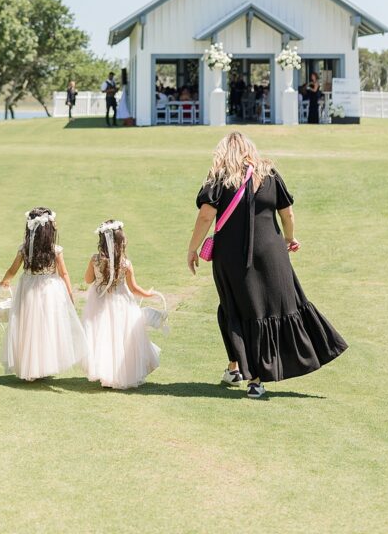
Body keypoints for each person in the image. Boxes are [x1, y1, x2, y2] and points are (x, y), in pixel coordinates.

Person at [186, 130, 347, 399]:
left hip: (232, 257)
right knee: (263, 309)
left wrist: (193, 248)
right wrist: (290, 239)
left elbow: (206, 216)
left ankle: (255, 380)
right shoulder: (270, 173)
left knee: (237, 309)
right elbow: (288, 213)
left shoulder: (220, 177)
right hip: (272, 253)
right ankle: (235, 368)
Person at [0, 207, 87, 380]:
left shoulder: (24, 249)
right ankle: (43, 364)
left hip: (28, 290)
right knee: (47, 327)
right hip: (49, 291)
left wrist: (5, 280)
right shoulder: (55, 250)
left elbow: (13, 269)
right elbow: (64, 273)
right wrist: (69, 294)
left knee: (29, 327)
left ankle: (30, 366)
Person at [82, 218, 161, 389]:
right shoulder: (125, 263)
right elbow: (134, 288)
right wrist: (148, 293)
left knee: (103, 336)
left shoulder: (95, 260)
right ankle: (119, 373)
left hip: (99, 303)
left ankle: (106, 373)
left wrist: (98, 277)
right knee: (121, 337)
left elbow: (88, 279)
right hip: (122, 303)